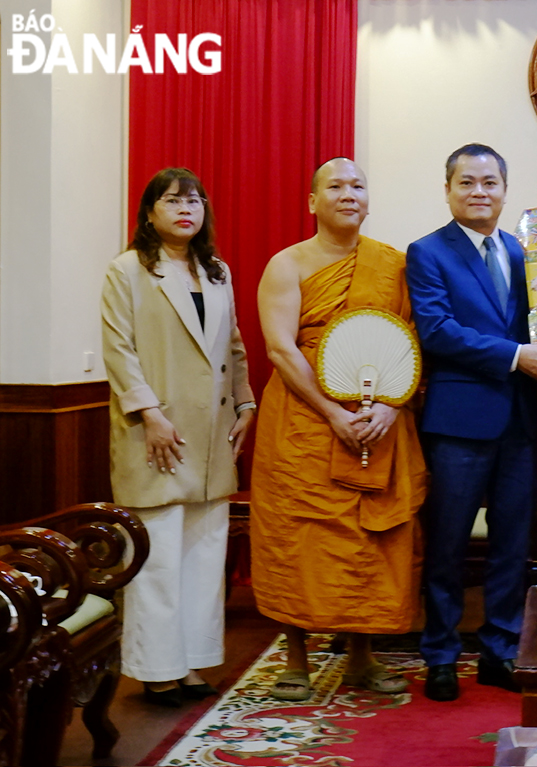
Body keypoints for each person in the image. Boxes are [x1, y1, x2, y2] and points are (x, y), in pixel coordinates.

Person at [251, 158, 426, 701]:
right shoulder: (288, 265)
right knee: (297, 537)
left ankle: (361, 657)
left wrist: (393, 408)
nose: (348, 194)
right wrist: (331, 412)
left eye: (358, 186)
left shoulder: (394, 265)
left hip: (377, 419)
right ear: (312, 201)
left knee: (369, 540)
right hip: (304, 420)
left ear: (368, 200)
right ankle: (296, 658)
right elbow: (280, 347)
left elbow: (412, 342)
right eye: (335, 186)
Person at [407, 144, 537, 702]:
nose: (480, 192)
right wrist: (514, 355)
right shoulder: (427, 253)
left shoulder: (527, 255)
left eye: (490, 183)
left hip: (521, 422)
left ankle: (500, 648)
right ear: (448, 190)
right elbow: (437, 331)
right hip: (458, 424)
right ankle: (442, 654)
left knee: (511, 546)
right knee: (448, 544)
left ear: (504, 190)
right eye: (468, 182)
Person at [101, 168, 256, 707]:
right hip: (156, 435)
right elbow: (118, 350)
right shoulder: (127, 271)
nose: (186, 209)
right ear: (150, 212)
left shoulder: (217, 272)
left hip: (212, 436)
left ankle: (190, 664)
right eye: (172, 200)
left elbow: (233, 347)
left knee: (203, 553)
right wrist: (150, 413)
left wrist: (246, 402)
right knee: (159, 556)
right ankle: (156, 670)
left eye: (195, 200)